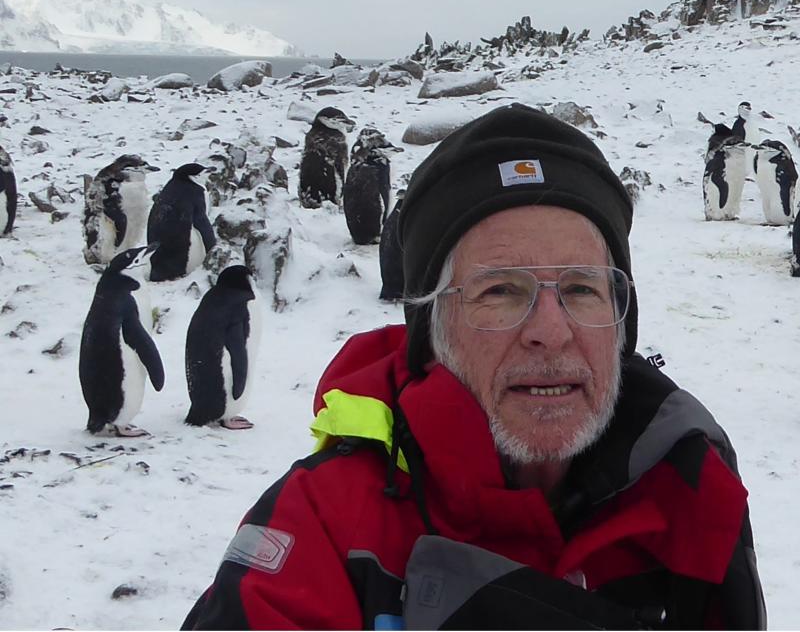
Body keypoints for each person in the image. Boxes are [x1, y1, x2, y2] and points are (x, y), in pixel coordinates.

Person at [182, 103, 766, 630]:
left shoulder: (687, 490)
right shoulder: (328, 525)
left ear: (621, 321)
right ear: (431, 331)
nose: (550, 331)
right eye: (500, 292)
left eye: (583, 289)